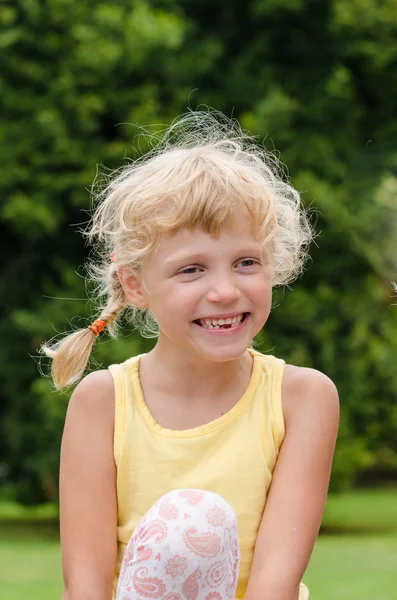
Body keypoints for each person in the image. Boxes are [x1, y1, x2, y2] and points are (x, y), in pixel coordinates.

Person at [43, 111, 339, 600]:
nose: (225, 291)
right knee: (190, 525)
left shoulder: (302, 399)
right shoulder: (102, 403)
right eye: (191, 270)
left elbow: (275, 584)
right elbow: (86, 586)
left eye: (246, 262)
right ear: (135, 285)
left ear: (275, 265)